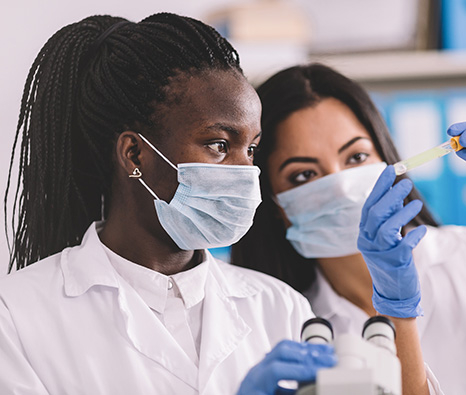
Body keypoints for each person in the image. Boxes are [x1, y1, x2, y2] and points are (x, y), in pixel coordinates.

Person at [0, 15, 338, 395]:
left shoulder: (281, 309)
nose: (247, 171)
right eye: (219, 145)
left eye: (252, 149)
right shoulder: (17, 316)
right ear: (135, 155)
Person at [231, 63, 466, 394]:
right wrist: (397, 315)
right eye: (304, 175)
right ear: (274, 203)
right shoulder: (286, 326)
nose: (341, 185)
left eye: (356, 157)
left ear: (388, 160)